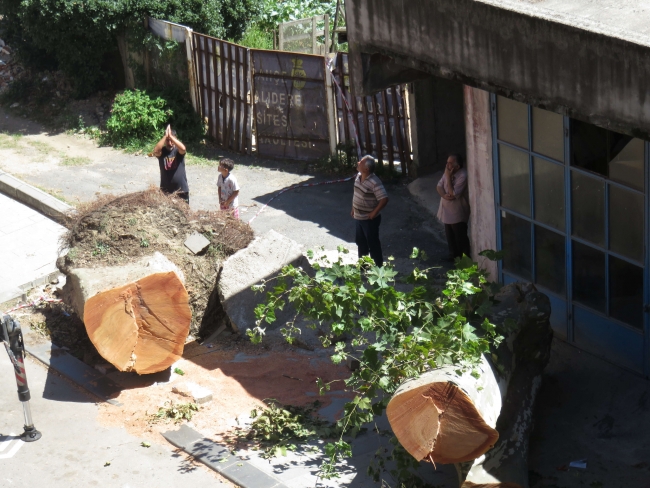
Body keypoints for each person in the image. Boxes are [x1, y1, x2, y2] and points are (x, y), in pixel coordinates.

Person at [351, 155, 389, 266]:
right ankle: (362, 266)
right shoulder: (358, 176)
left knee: (373, 244)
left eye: (361, 163)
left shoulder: (374, 182)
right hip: (359, 217)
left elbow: (384, 199)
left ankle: (378, 268)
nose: (358, 163)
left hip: (369, 219)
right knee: (360, 242)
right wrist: (353, 208)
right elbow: (356, 194)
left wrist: (374, 212)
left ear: (366, 169)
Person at [436, 153, 471, 261]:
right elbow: (439, 186)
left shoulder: (463, 176)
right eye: (447, 162)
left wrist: (448, 177)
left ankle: (464, 259)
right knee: (450, 236)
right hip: (447, 210)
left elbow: (454, 193)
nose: (447, 165)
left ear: (457, 167)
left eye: (450, 163)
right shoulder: (448, 171)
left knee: (460, 236)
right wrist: (443, 195)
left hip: (457, 211)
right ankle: (453, 256)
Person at [153, 124, 189, 203]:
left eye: (172, 140)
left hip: (181, 190)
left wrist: (171, 136)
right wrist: (165, 136)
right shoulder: (162, 152)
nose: (169, 143)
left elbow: (183, 149)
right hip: (166, 191)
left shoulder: (177, 151)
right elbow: (155, 151)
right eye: (167, 140)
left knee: (185, 213)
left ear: (176, 139)